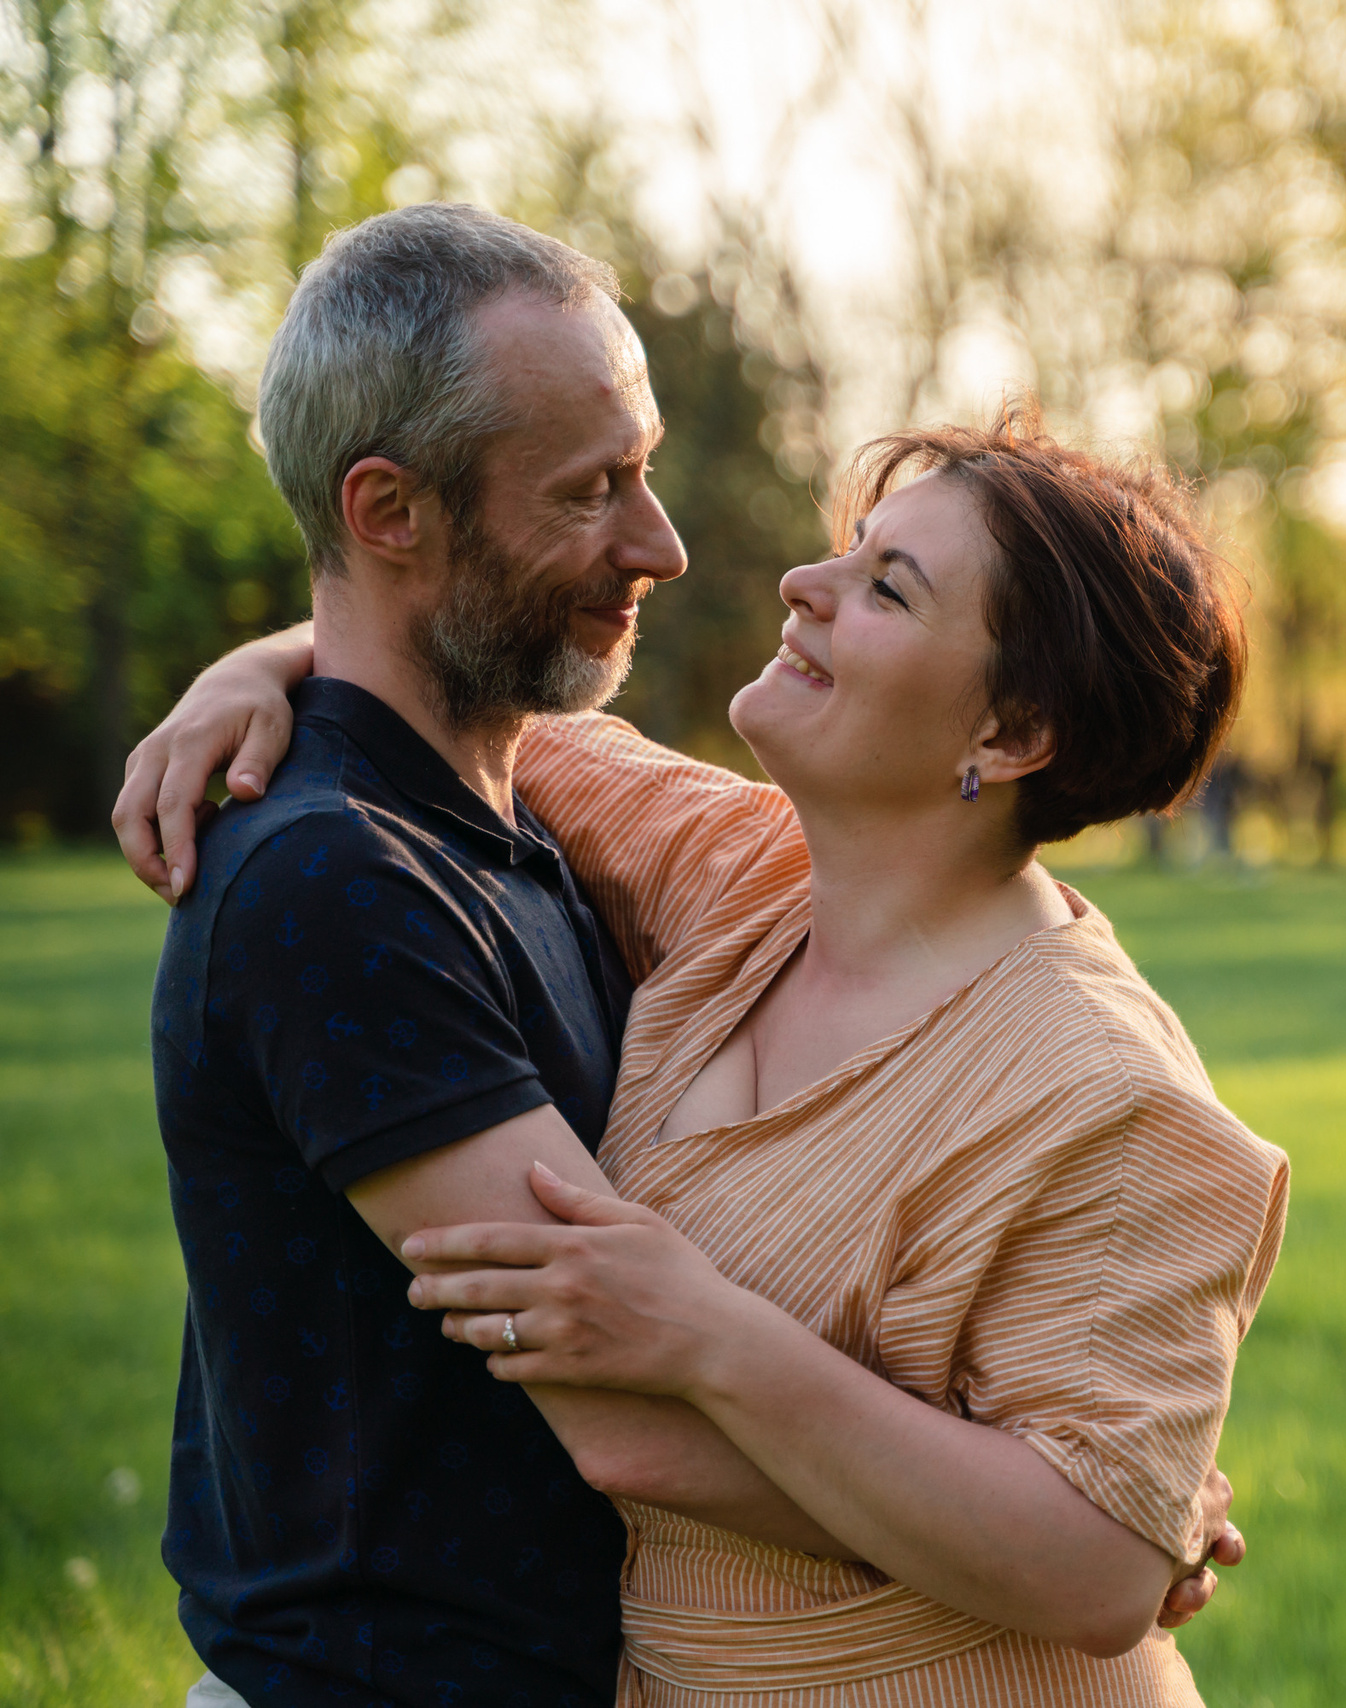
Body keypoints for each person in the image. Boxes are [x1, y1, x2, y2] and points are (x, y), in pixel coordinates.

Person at [125, 203, 1240, 1708]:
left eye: (889, 586)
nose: (757, 571)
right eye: (595, 488)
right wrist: (1058, 1541)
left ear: (1011, 734)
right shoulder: (635, 882)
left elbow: (458, 687)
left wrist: (1087, 1530)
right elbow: (627, 1415)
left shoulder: (1072, 1070)